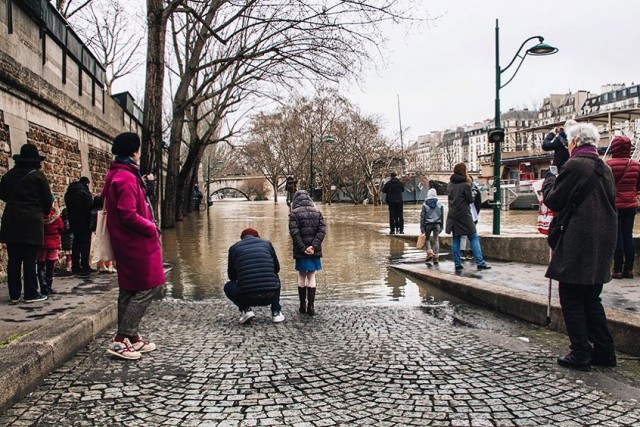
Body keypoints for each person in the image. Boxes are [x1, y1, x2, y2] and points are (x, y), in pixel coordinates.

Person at [543, 123, 617, 371]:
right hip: (603, 239)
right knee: (591, 298)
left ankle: (580, 352)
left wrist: (549, 181)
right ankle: (605, 351)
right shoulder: (604, 168)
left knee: (572, 297)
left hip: (579, 239)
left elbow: (555, 199)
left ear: (574, 142)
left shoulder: (574, 165)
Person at [102, 132, 165, 360]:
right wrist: (150, 227)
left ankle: (132, 337)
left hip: (127, 241)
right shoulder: (126, 178)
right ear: (134, 152)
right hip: (136, 242)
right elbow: (127, 214)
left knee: (129, 288)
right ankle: (120, 340)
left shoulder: (118, 174)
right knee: (148, 286)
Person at [0, 143, 53, 303]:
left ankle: (14, 294)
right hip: (31, 221)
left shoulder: (8, 176)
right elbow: (47, 200)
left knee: (14, 258)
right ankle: (31, 293)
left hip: (11, 219)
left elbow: (2, 194)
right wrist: (40, 210)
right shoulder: (38, 176)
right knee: (30, 258)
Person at [224, 228, 284, 324]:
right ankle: (276, 312)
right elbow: (276, 268)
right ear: (258, 237)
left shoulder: (234, 248)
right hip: (270, 295)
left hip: (247, 297)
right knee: (274, 277)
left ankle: (246, 310)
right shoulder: (267, 244)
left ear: (242, 239)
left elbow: (232, 277)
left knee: (228, 286)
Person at [445, 162, 491, 271]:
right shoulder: (465, 184)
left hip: (453, 215)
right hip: (465, 215)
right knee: (473, 237)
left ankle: (457, 264)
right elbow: (470, 200)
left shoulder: (449, 185)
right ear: (463, 171)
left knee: (456, 239)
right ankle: (480, 262)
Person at [606, 135, 640, 279]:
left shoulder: (608, 165)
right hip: (631, 204)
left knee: (617, 236)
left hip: (614, 205)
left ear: (614, 147)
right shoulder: (636, 165)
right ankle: (629, 270)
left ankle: (617, 270)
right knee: (628, 235)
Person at [289, 190, 326, 315]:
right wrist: (313, 247)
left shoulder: (294, 214)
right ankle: (311, 306)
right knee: (312, 275)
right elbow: (322, 231)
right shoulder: (317, 212)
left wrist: (303, 248)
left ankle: (302, 306)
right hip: (314, 251)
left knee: (301, 275)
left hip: (301, 251)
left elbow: (294, 233)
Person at [64, 176, 93, 273]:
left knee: (76, 242)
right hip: (84, 221)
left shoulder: (69, 193)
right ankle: (85, 265)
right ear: (87, 183)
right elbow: (89, 208)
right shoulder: (85, 193)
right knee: (85, 243)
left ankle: (75, 265)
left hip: (73, 220)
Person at [37, 204, 64, 295]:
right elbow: (61, 228)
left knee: (41, 265)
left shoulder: (39, 215)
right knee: (50, 266)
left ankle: (42, 283)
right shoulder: (56, 217)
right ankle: (49, 285)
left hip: (41, 244)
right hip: (53, 245)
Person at [90, 196, 116, 274]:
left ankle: (102, 265)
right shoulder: (104, 212)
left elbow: (92, 224)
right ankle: (110, 265)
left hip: (96, 232)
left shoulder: (93, 212)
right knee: (108, 246)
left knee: (99, 248)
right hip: (105, 231)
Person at [420, 188, 444, 264]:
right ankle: (436, 257)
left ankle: (429, 252)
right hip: (437, 224)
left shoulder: (425, 204)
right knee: (436, 240)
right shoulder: (440, 204)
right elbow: (442, 216)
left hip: (428, 224)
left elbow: (422, 217)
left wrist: (422, 228)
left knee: (427, 239)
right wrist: (442, 226)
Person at [59, 207, 73, 274]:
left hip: (65, 241)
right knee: (69, 255)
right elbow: (68, 229)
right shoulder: (67, 221)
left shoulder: (62, 221)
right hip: (69, 241)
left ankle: (69, 266)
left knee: (68, 255)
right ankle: (69, 267)